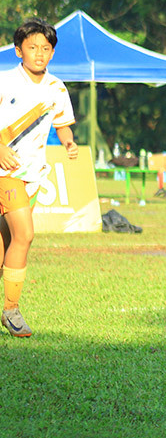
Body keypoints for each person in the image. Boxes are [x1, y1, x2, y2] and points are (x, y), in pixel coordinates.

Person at [0, 17, 78, 338]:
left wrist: (69, 142)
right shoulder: (5, 81)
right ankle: (11, 310)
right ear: (19, 50)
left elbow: (62, 124)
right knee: (25, 234)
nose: (39, 53)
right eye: (32, 48)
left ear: (52, 53)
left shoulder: (57, 88)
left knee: (6, 240)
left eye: (45, 48)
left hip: (33, 173)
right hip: (5, 172)